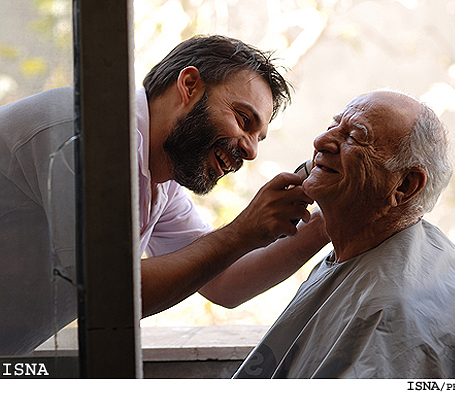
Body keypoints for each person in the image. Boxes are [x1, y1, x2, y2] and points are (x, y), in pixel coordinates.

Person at [0, 35, 329, 355]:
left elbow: (223, 282)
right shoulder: (87, 133)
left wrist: (327, 223)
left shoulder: (160, 180)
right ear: (189, 85)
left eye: (259, 137)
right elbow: (112, 295)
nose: (251, 150)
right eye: (244, 120)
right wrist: (241, 232)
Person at [233, 89, 455, 379]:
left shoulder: (388, 312)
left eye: (355, 136)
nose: (321, 141)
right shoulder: (367, 244)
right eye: (333, 127)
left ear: (405, 186)